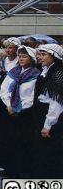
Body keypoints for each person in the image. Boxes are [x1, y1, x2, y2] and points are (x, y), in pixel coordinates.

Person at [0, 46, 40, 177]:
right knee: (7, 140)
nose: (21, 59)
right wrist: (9, 105)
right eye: (20, 56)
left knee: (21, 143)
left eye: (24, 57)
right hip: (9, 111)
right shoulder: (14, 72)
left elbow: (32, 96)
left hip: (24, 114)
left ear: (31, 59)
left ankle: (19, 169)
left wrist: (19, 108)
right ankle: (8, 167)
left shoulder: (35, 75)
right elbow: (4, 89)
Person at [30, 44, 63, 178]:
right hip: (41, 112)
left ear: (54, 56)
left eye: (43, 55)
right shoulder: (46, 70)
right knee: (41, 150)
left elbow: (57, 103)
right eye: (39, 54)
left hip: (51, 116)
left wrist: (47, 125)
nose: (39, 57)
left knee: (50, 151)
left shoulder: (58, 73)